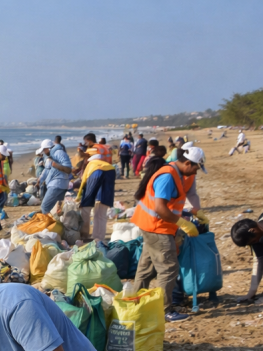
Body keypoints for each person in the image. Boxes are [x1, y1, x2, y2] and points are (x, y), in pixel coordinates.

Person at [132, 146, 207, 322]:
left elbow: (174, 202)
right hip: (157, 228)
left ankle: (135, 303)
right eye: (196, 168)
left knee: (146, 269)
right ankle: (164, 310)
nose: (195, 172)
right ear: (187, 163)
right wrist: (183, 223)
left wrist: (195, 211)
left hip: (150, 225)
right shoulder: (168, 177)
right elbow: (160, 208)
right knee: (168, 269)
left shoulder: (175, 173)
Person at [75, 132, 116, 241]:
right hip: (111, 171)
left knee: (86, 207)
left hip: (96, 173)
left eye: (86, 141)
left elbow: (84, 182)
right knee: (101, 208)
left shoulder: (92, 155)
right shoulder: (105, 149)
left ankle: (84, 235)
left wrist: (79, 198)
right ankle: (99, 238)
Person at [230, 216, 263, 302]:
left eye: (253, 241)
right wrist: (250, 294)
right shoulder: (258, 237)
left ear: (253, 230)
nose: (255, 243)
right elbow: (259, 261)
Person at [36, 138, 73, 215]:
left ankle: (47, 222)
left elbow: (68, 169)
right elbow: (46, 170)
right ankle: (54, 222)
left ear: (48, 148)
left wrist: (56, 165)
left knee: (45, 207)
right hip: (57, 184)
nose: (44, 152)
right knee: (56, 209)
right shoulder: (51, 156)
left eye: (44, 150)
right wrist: (40, 180)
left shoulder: (59, 153)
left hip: (57, 184)